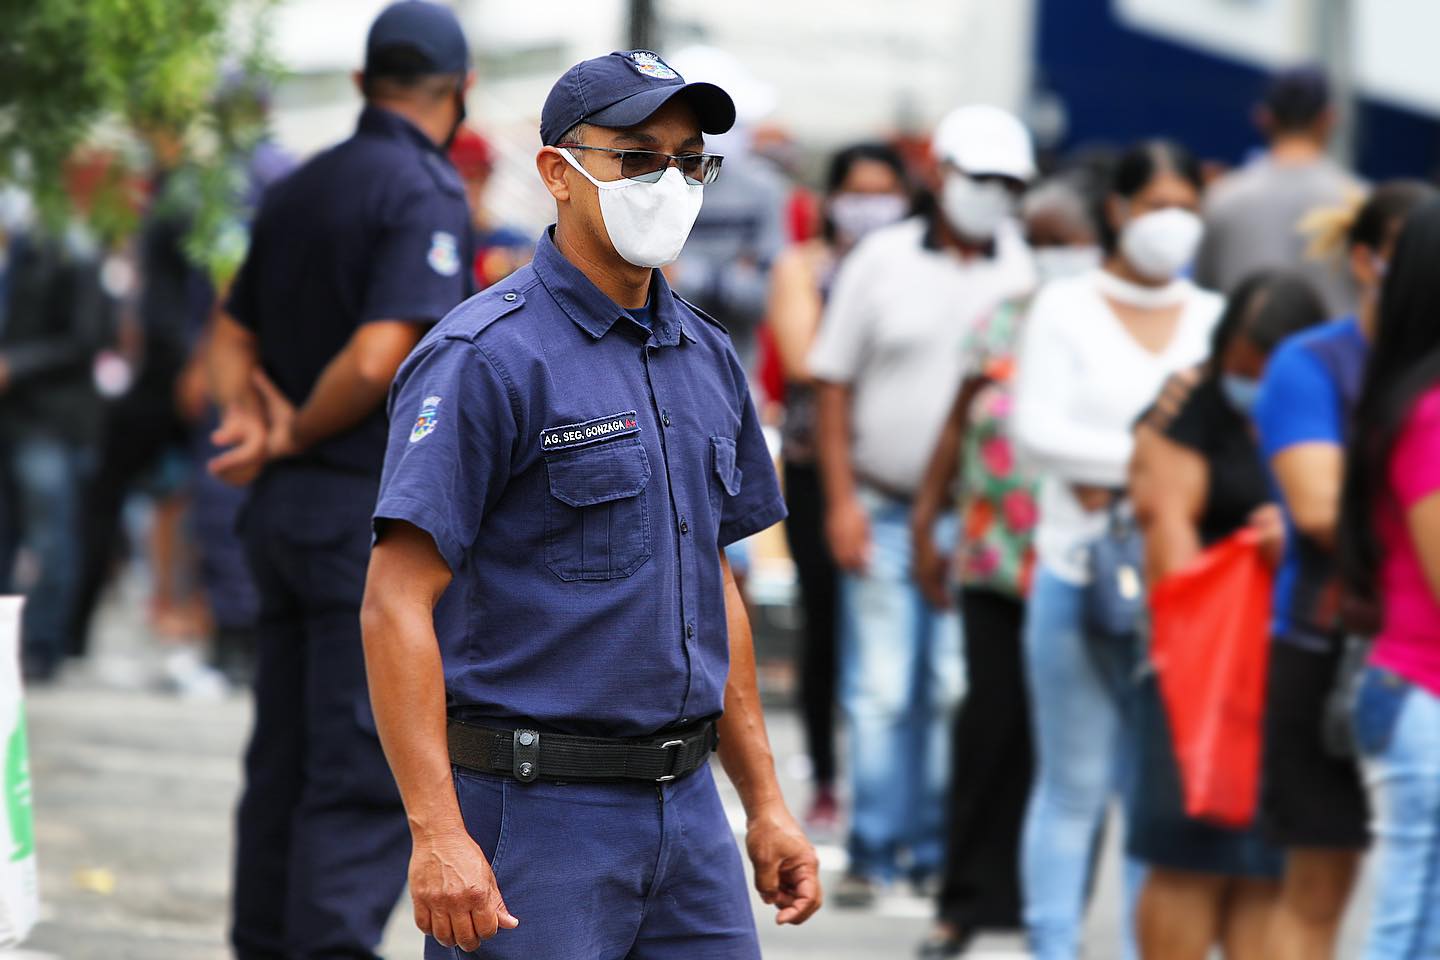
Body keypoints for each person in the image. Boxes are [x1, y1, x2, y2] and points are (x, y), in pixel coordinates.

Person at [361, 49, 821, 958]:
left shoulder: (706, 356)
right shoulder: (485, 359)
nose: (671, 182)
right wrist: (438, 834)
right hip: (535, 819)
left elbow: (717, 587)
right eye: (637, 157)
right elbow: (394, 601)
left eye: (690, 159)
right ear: (557, 174)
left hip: (687, 820)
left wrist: (764, 805)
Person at [204, 3, 475, 956]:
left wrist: (251, 419)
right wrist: (291, 434)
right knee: (354, 765)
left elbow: (229, 332)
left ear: (364, 83)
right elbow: (376, 360)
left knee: (282, 754)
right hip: (351, 512)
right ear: (462, 92)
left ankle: (264, 940)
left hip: (280, 518)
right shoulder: (424, 190)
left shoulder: (300, 184)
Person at [810, 104, 1036, 906]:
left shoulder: (1025, 271)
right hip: (881, 501)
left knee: (949, 685)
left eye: (1010, 183)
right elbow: (831, 384)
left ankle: (937, 848)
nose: (994, 195)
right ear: (939, 174)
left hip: (975, 519)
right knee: (880, 686)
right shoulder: (879, 260)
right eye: (982, 178)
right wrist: (839, 500)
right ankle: (875, 852)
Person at [1012, 139, 1222, 960]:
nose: (1172, 224)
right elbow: (1038, 434)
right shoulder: (1063, 306)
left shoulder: (1212, 315)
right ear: (1118, 210)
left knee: (1156, 794)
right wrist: (1158, 469)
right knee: (1072, 786)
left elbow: (1226, 444)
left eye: (1186, 207)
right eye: (1157, 205)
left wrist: (1120, 474)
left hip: (1183, 580)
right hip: (1075, 572)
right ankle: (1052, 945)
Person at [910, 178, 1102, 958]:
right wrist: (927, 522)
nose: (1053, 255)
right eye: (1042, 239)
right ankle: (962, 902)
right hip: (995, 559)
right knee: (986, 729)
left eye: (1068, 239)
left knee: (1064, 745)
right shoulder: (1007, 317)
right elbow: (955, 428)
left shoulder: (1108, 326)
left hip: (1081, 563)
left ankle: (1045, 908)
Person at [1253, 180, 1435, 960]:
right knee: (1328, 890)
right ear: (1366, 261)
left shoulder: (1410, 383)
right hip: (1327, 642)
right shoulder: (1316, 362)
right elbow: (1320, 510)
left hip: (1390, 651)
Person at [1127, 272, 1326, 960]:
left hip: (1290, 657)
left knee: (1267, 865)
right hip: (1197, 663)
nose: (1254, 383)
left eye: (1268, 369)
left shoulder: (1328, 407)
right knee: (1188, 858)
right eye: (1242, 368)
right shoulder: (1189, 406)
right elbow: (1169, 534)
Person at [766, 141, 910, 832]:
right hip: (818, 468)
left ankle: (893, 789)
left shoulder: (916, 267)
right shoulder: (806, 266)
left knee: (900, 645)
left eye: (888, 192)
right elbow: (804, 359)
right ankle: (828, 775)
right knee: (826, 623)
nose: (873, 207)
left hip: (898, 472)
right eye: (860, 192)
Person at [1339, 199, 1440, 960]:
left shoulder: (1401, 395)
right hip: (1420, 689)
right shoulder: (1431, 413)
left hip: (1409, 686)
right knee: (1409, 918)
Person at [0, 218, 110, 681]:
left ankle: (43, 647)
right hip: (13, 420)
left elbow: (87, 338)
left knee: (50, 537)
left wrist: (14, 366)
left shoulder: (66, 246)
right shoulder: (22, 248)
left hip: (48, 419)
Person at [1194, 67, 1363, 319]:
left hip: (1245, 356)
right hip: (1331, 358)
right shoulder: (1358, 199)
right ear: (1329, 118)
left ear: (1263, 117)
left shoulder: (1222, 196)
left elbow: (1202, 290)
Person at [448, 125, 533, 290]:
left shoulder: (510, 241)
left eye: (476, 176)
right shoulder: (427, 237)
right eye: (461, 176)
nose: (466, 188)